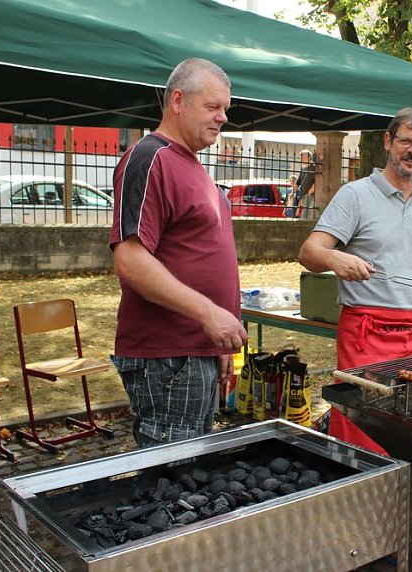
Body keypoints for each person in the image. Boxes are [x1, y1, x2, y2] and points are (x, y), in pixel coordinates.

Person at [109, 58, 248, 448]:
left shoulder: (191, 164)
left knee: (193, 474)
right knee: (173, 478)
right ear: (178, 101)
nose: (222, 118)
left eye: (225, 109)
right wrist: (209, 315)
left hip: (195, 351)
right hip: (169, 357)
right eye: (213, 107)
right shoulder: (150, 157)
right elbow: (130, 260)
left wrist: (217, 340)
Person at [298, 107, 412, 454]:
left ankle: (400, 499)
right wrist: (335, 258)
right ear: (387, 142)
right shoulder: (355, 195)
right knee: (361, 425)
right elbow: (309, 252)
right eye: (406, 141)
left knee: (410, 425)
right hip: (365, 334)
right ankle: (356, 496)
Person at [292, 149, 316, 219]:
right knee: (305, 211)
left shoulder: (314, 167)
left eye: (303, 156)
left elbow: (317, 180)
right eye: (301, 157)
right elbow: (299, 180)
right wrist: (293, 191)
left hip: (310, 194)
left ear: (309, 157)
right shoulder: (303, 168)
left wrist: (311, 189)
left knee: (306, 212)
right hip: (303, 193)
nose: (301, 158)